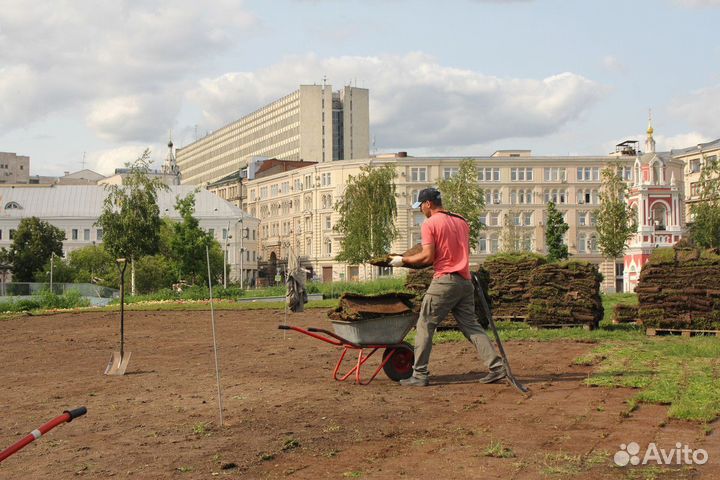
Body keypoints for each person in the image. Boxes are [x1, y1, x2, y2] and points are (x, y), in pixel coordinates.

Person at [389, 187, 505, 387]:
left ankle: (419, 374)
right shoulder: (461, 220)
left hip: (445, 280)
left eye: (421, 207)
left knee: (425, 324)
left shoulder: (430, 223)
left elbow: (428, 256)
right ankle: (497, 367)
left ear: (428, 204)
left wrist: (403, 260)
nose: (421, 211)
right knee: (471, 326)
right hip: (465, 281)